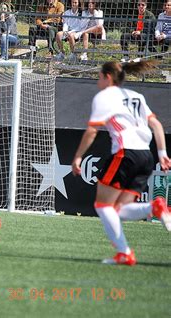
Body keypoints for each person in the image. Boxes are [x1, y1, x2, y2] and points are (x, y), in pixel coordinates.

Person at [71, 60, 171, 266]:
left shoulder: (105, 96)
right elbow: (156, 124)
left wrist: (78, 157)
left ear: (108, 77)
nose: (98, 80)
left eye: (99, 76)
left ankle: (124, 253)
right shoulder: (137, 96)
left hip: (125, 154)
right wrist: (162, 152)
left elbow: (92, 131)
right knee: (117, 210)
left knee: (102, 205)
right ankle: (156, 207)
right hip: (145, 156)